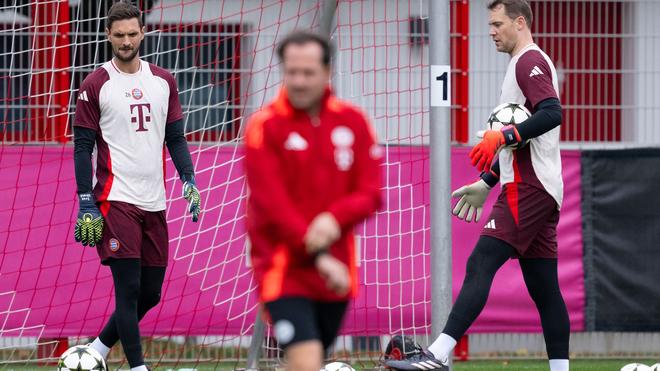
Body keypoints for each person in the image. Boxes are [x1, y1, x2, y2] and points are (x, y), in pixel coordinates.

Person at [384, 1, 569, 370]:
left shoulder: (528, 61)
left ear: (520, 22)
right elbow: (522, 140)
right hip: (540, 187)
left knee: (481, 261)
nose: (491, 31)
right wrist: (487, 181)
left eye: (498, 24)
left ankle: (435, 356)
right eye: (489, 25)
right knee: (546, 290)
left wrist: (502, 136)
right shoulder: (521, 64)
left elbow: (552, 112)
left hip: (529, 187)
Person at [72, 2, 201, 370]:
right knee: (127, 290)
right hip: (115, 200)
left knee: (151, 293)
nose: (126, 41)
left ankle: (97, 349)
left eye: (132, 34)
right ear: (108, 36)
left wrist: (188, 179)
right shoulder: (95, 84)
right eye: (119, 35)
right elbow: (82, 147)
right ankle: (138, 367)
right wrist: (86, 201)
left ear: (142, 33)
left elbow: (175, 138)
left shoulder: (163, 81)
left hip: (154, 202)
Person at [244, 31, 382, 371]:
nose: (299, 81)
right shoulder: (264, 126)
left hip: (337, 273)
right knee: (307, 362)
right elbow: (272, 205)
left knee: (308, 361)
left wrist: (333, 219)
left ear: (327, 72)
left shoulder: (354, 121)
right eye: (292, 72)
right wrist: (318, 254)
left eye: (307, 73)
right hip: (283, 267)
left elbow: (371, 193)